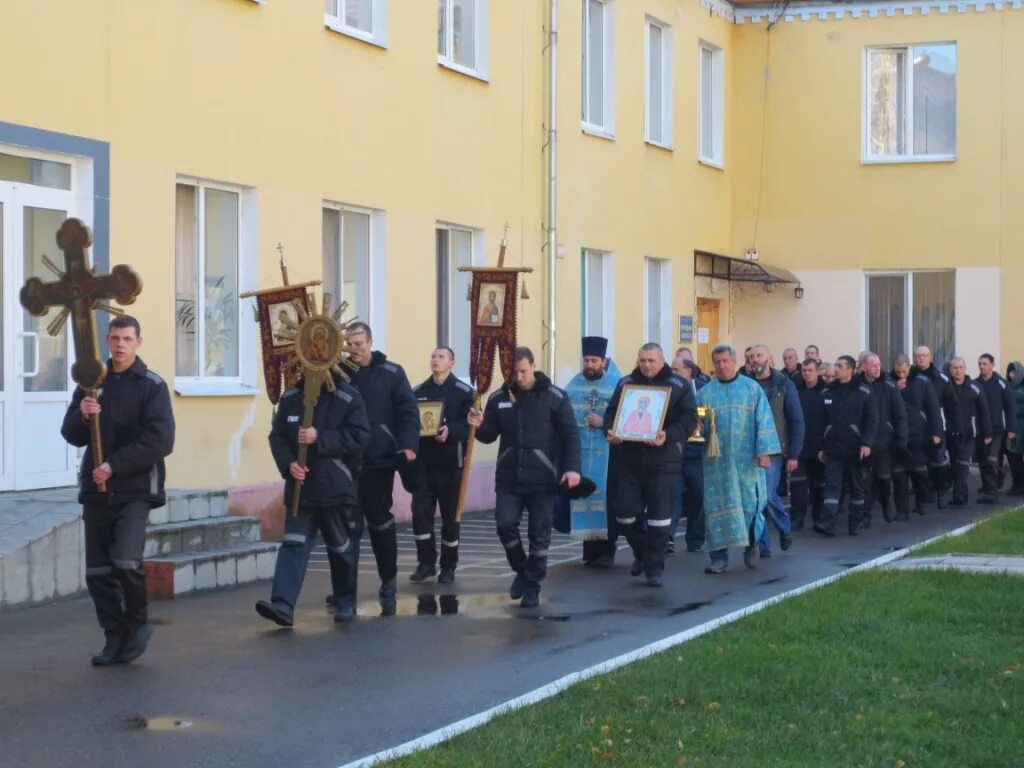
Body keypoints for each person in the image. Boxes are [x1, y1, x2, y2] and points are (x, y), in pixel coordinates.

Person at [60, 316, 175, 666]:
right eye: (115, 338)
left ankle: (138, 624)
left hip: (135, 487)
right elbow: (71, 434)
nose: (120, 345)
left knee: (125, 560)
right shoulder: (91, 384)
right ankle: (114, 636)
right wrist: (82, 414)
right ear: (107, 341)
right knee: (97, 571)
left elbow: (160, 440)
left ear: (139, 342)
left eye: (127, 338)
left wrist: (115, 465)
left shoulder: (151, 385)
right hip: (96, 488)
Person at [468, 347, 581, 607]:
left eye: (523, 371)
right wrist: (477, 425)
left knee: (539, 535)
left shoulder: (554, 397)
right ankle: (522, 569)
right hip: (509, 476)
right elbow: (488, 434)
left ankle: (533, 585)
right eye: (513, 372)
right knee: (504, 525)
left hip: (543, 476)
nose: (518, 377)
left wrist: (572, 468)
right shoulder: (499, 398)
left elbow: (570, 435)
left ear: (533, 366)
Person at [256, 371, 370, 626]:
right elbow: (278, 436)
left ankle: (345, 601)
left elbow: (360, 437)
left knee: (340, 547)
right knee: (293, 543)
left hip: (336, 485)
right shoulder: (292, 396)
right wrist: (289, 464)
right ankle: (283, 604)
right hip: (301, 487)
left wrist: (320, 438)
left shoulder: (348, 397)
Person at [339, 322, 420, 616]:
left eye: (359, 343)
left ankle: (388, 580)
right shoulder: (338, 374)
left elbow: (408, 412)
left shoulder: (392, 373)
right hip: (345, 462)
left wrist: (408, 445)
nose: (354, 349)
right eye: (349, 344)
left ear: (370, 342)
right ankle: (344, 589)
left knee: (379, 523)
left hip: (379, 461)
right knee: (347, 527)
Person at [605, 344, 698, 586]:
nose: (647, 365)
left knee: (659, 519)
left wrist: (669, 434)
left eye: (651, 361)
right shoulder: (625, 383)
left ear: (662, 360)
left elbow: (690, 419)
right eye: (643, 360)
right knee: (624, 513)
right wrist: (611, 431)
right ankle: (642, 553)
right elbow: (612, 413)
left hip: (663, 461)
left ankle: (654, 568)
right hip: (629, 461)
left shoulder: (678, 385)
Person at [699, 344, 780, 574]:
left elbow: (763, 421)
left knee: (751, 505)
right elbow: (698, 426)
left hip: (747, 462)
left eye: (725, 361)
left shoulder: (752, 389)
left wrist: (764, 452)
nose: (721, 366)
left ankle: (752, 545)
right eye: (717, 362)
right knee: (717, 507)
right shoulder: (705, 394)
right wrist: (695, 428)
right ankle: (718, 557)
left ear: (734, 362)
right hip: (717, 463)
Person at [409, 347, 474, 583]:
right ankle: (426, 563)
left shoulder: (464, 392)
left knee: (450, 517)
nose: (435, 360)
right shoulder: (418, 392)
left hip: (451, 465)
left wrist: (452, 430)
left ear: (452, 363)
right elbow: (409, 421)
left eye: (441, 357)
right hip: (424, 465)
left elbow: (471, 426)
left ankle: (448, 565)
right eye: (433, 356)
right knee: (421, 515)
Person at [563, 336, 622, 568]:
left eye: (594, 360)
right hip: (581, 451)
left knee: (605, 501)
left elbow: (626, 418)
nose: (589, 365)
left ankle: (607, 550)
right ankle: (590, 548)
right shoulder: (574, 384)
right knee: (584, 495)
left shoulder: (617, 384)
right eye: (586, 360)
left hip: (609, 454)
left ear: (603, 361)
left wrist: (603, 422)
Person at [749, 344, 804, 557]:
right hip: (750, 450)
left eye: (759, 355)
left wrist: (793, 454)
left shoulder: (783, 385)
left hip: (774, 449)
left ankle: (784, 527)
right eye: (752, 356)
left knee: (768, 495)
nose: (755, 359)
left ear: (769, 359)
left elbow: (796, 420)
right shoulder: (746, 385)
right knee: (755, 499)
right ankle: (762, 545)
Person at [815, 356, 876, 536]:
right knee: (832, 486)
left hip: (855, 449)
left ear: (850, 369)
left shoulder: (864, 392)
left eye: (840, 366)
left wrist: (866, 443)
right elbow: (820, 422)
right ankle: (827, 522)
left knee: (857, 488)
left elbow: (872, 420)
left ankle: (856, 521)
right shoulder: (827, 393)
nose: (836, 369)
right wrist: (821, 447)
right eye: (835, 365)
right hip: (833, 449)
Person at [891, 355, 943, 518]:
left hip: (918, 433)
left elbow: (933, 408)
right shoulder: (889, 382)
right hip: (896, 434)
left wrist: (937, 432)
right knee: (899, 475)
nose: (901, 375)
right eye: (898, 372)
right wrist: (895, 389)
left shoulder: (922, 381)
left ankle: (921, 500)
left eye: (904, 371)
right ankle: (902, 510)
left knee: (919, 472)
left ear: (909, 367)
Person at [860, 353, 907, 526]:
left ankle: (887, 503)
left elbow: (899, 415)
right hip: (863, 441)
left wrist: (902, 438)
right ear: (864, 367)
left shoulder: (889, 386)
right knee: (864, 480)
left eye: (879, 365)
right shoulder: (857, 385)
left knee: (883, 477)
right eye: (873, 365)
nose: (877, 368)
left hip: (884, 441)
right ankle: (865, 514)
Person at [912, 346, 962, 508]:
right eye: (918, 356)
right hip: (916, 428)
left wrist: (955, 425)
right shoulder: (910, 377)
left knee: (938, 461)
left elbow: (953, 405)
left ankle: (941, 490)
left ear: (931, 358)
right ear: (914, 358)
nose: (921, 359)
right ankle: (926, 494)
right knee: (920, 463)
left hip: (936, 426)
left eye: (924, 356)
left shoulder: (941, 379)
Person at [667, 356, 707, 553]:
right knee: (672, 495)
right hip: (674, 451)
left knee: (698, 496)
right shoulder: (667, 390)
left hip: (697, 453)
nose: (672, 373)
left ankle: (695, 538)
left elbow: (712, 416)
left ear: (689, 372)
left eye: (676, 370)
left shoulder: (703, 388)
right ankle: (668, 537)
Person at [947, 357, 992, 506]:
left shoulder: (975, 387)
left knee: (963, 463)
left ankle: (959, 496)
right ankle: (961, 494)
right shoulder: (946, 386)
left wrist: (987, 433)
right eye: (954, 368)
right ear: (950, 370)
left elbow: (984, 411)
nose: (957, 370)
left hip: (969, 433)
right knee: (955, 464)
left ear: (965, 369)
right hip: (951, 432)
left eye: (960, 367)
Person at [975, 354, 1017, 503]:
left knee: (991, 458)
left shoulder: (1001, 383)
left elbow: (1010, 407)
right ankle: (990, 483)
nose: (981, 366)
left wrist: (1011, 428)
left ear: (992, 365)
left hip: (997, 429)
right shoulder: (975, 383)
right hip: (980, 429)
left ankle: (992, 494)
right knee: (982, 459)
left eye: (984, 364)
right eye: (979, 364)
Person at [791, 359, 827, 530]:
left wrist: (826, 446)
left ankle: (818, 517)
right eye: (804, 370)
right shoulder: (797, 391)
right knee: (798, 484)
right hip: (800, 446)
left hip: (819, 446)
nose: (806, 373)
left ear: (817, 371)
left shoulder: (826, 392)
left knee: (818, 485)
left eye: (810, 370)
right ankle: (797, 518)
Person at [1006, 362, 1024, 495]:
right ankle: (1017, 484)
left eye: (1014, 372)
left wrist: (1016, 410)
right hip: (1012, 428)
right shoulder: (1007, 387)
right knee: (1013, 456)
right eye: (1010, 372)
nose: (1012, 375)